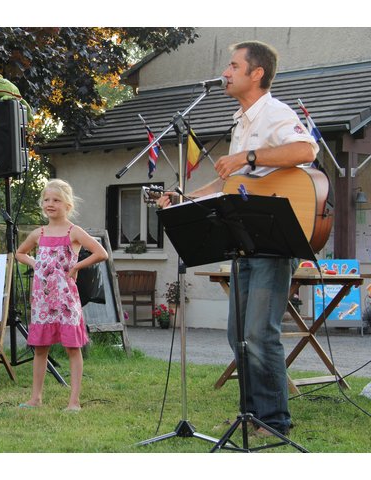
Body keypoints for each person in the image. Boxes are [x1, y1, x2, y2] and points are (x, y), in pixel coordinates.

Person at [158, 41, 318, 436]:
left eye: (233, 65)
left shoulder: (275, 111)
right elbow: (233, 181)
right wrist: (184, 198)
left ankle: (275, 420)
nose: (225, 72)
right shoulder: (241, 119)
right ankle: (252, 414)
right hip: (245, 235)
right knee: (239, 334)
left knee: (259, 332)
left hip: (275, 235)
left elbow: (305, 148)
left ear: (256, 73)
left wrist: (249, 157)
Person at [16, 179, 108, 411]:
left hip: (66, 299)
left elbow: (101, 253)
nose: (50, 204)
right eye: (46, 199)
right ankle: (35, 398)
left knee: (72, 348)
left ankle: (74, 401)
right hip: (43, 300)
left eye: (56, 200)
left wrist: (76, 267)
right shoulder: (38, 233)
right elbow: (20, 253)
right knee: (40, 348)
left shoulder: (73, 232)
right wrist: (36, 264)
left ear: (67, 205)